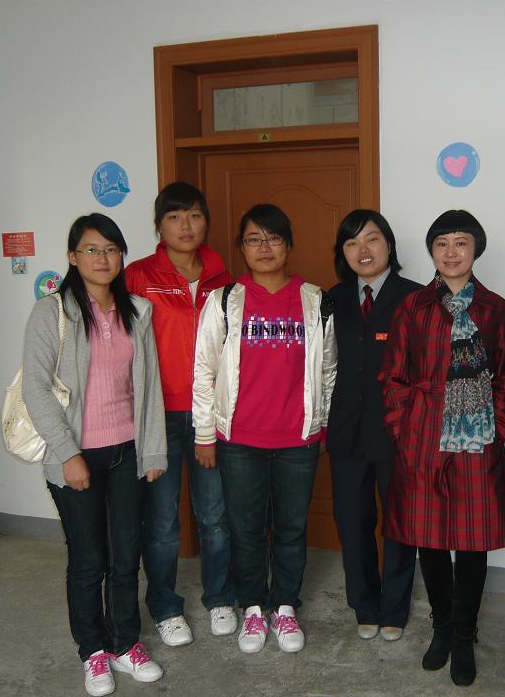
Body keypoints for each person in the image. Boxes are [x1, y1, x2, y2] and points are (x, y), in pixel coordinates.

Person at [22, 213, 167, 696]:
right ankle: (93, 651)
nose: (102, 258)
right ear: (72, 256)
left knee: (126, 555)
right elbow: (37, 389)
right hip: (77, 455)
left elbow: (148, 387)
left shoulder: (137, 311)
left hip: (126, 452)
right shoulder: (52, 313)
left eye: (111, 249)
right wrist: (68, 453)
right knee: (89, 560)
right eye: (91, 249)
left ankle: (125, 643)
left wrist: (152, 450)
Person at [192, 203, 337, 657]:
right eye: (254, 239)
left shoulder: (316, 300)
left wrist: (322, 426)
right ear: (242, 248)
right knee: (246, 529)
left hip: (298, 440)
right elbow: (203, 370)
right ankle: (254, 606)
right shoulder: (223, 301)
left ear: (288, 245)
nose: (264, 247)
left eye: (273, 238)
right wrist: (204, 434)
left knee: (291, 529)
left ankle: (285, 606)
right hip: (240, 440)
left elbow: (329, 370)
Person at [381, 209, 505, 687]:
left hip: (476, 436)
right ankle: (441, 627)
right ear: (432, 252)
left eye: (461, 242)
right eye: (441, 243)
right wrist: (405, 427)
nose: (451, 252)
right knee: (430, 536)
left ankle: (464, 634)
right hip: (423, 431)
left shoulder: (495, 309)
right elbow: (393, 375)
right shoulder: (413, 307)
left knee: (472, 540)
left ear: (476, 249)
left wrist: (497, 424)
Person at [126, 182, 235, 647]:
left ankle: (220, 597)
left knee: (215, 515)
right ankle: (166, 607)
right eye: (174, 216)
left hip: (210, 414)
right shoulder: (137, 276)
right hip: (158, 415)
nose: (185, 225)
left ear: (206, 222)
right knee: (163, 523)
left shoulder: (223, 278)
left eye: (193, 215)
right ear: (159, 226)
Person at [326, 210, 422, 642]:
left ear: (389, 245)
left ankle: (394, 608)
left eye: (372, 239)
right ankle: (364, 604)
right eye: (352, 243)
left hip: (398, 433)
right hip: (346, 431)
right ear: (343, 253)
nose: (363, 250)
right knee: (353, 522)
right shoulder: (333, 299)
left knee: (399, 524)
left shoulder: (416, 297)